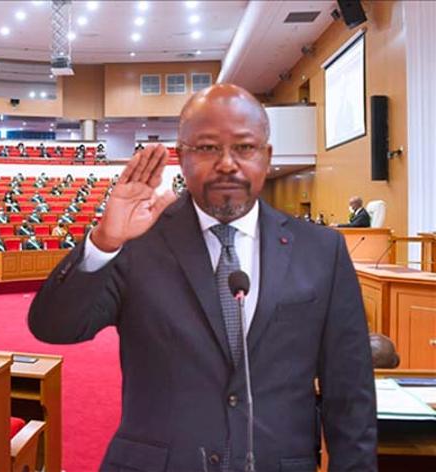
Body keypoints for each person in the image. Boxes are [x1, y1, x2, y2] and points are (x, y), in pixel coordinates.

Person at [28, 84, 377, 471]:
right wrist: (104, 241)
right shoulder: (137, 241)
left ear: (267, 157)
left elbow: (350, 394)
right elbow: (53, 327)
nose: (227, 163)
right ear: (181, 157)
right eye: (208, 148)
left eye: (244, 147)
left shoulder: (322, 250)